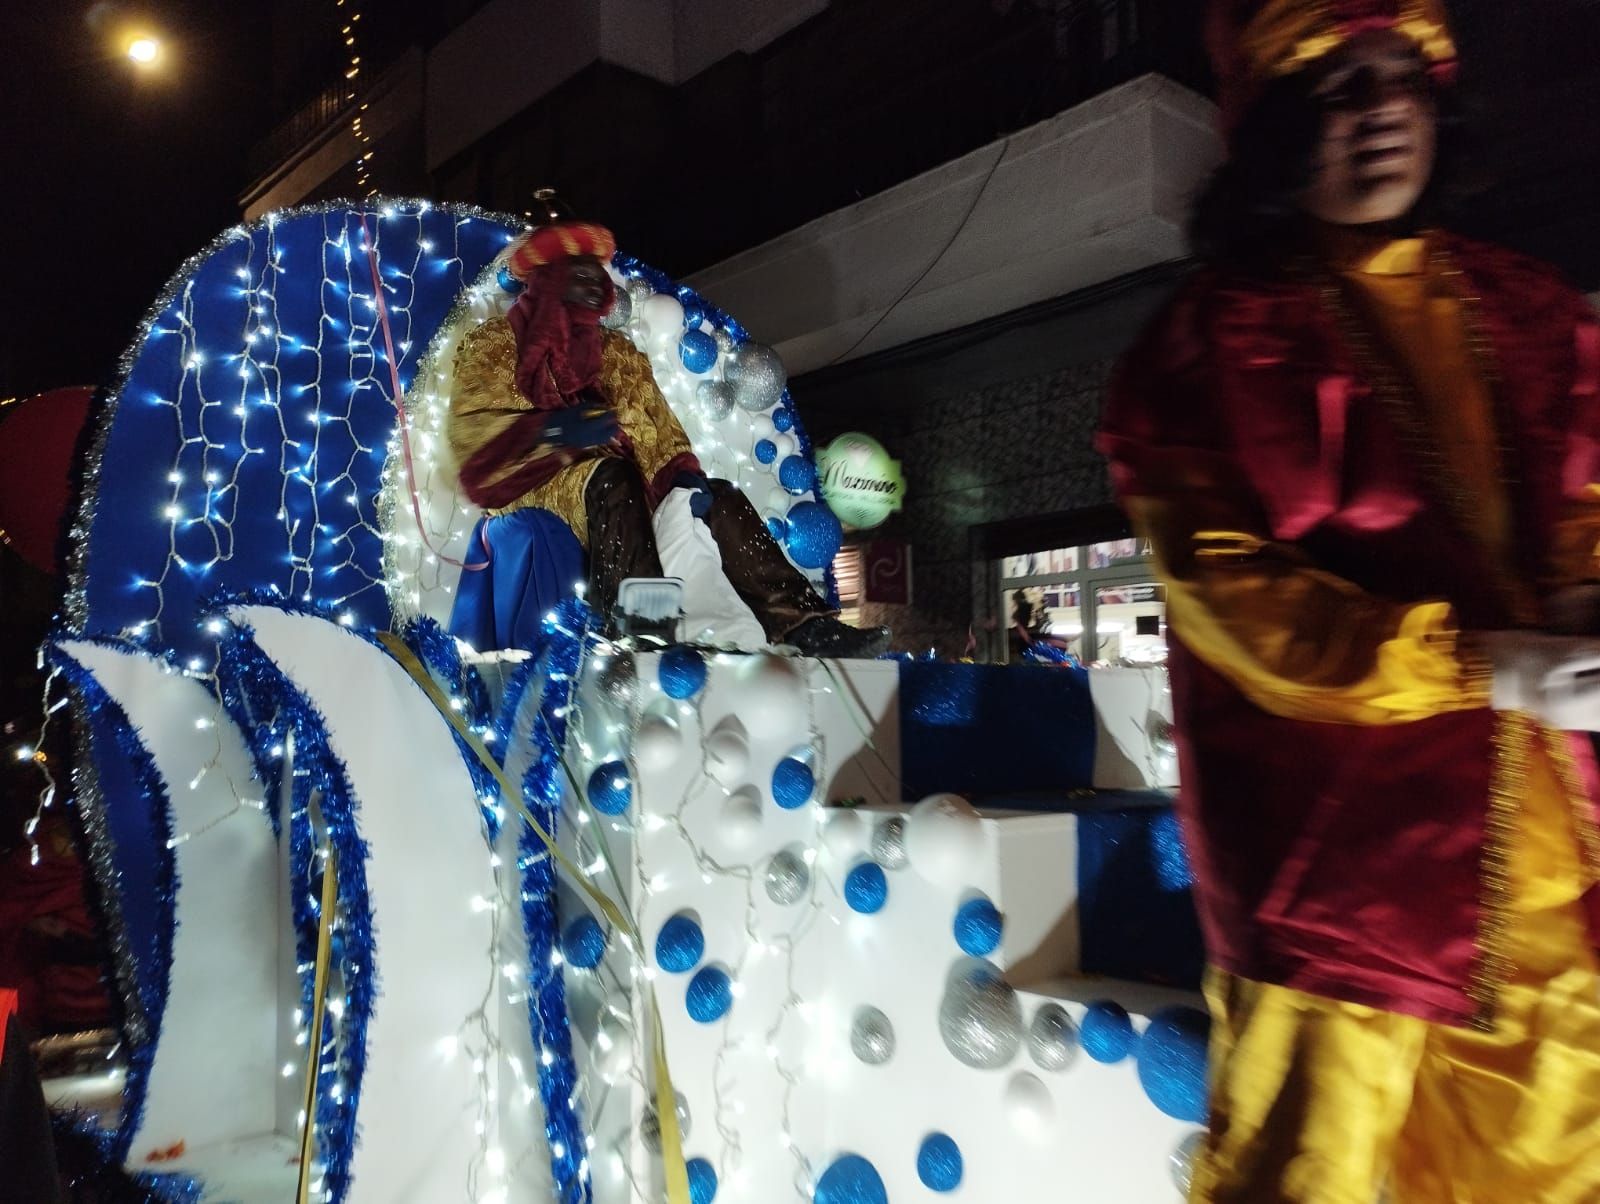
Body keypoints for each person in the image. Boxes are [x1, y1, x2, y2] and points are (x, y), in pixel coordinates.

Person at [1098, 2, 1600, 1199]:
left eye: (1401, 80)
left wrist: (1581, 598)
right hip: (1332, 879)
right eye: (1334, 89)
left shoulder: (1532, 311)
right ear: (1270, 124)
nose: (1379, 112)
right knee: (1303, 1173)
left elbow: (1584, 494)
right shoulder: (1201, 349)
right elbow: (1237, 597)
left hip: (1544, 858)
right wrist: (1480, 664)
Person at [445, 212, 890, 658]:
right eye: (582, 274)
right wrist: (554, 430)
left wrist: (681, 477)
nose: (598, 283)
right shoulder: (497, 342)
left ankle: (802, 624)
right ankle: (644, 625)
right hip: (537, 484)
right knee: (612, 477)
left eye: (599, 274)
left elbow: (659, 428)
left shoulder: (616, 352)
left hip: (621, 480)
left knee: (719, 497)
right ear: (549, 280)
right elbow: (473, 435)